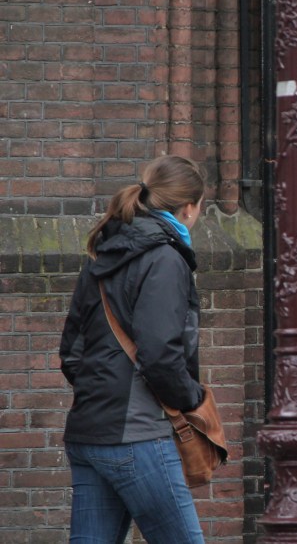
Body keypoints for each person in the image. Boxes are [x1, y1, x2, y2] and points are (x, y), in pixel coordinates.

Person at [60, 155, 208, 543]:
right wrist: (191, 398)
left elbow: (72, 353)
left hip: (88, 434)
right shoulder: (166, 259)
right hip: (138, 438)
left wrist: (102, 393)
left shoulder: (101, 255)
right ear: (189, 208)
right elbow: (160, 355)